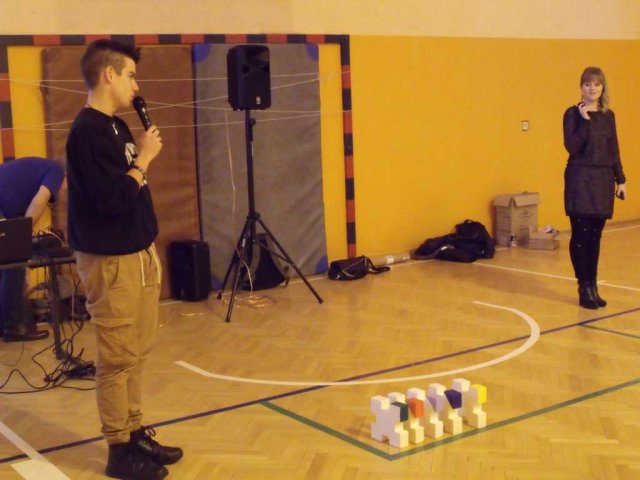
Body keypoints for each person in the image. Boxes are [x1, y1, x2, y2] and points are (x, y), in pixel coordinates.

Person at [66, 39, 182, 480]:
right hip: (110, 260)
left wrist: (141, 162)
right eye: (131, 75)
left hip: (138, 253)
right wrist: (145, 159)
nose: (137, 85)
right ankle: (119, 450)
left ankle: (134, 433)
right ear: (109, 74)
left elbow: (132, 191)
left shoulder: (116, 126)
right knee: (116, 358)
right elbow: (110, 200)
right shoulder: (87, 132)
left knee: (137, 351)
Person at [563, 66, 627, 309]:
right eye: (588, 84)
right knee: (581, 234)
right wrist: (585, 121)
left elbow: (613, 149)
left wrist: (621, 179)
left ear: (602, 87)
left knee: (595, 236)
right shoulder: (572, 114)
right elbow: (572, 147)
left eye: (597, 84)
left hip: (602, 180)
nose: (592, 88)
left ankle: (593, 286)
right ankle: (583, 286)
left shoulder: (609, 116)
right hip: (580, 178)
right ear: (581, 87)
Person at [0, 156, 64, 342]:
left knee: (6, 266)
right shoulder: (56, 170)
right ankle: (15, 328)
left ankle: (6, 325)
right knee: (14, 265)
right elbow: (39, 201)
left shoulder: (40, 168)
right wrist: (22, 239)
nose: (65, 191)